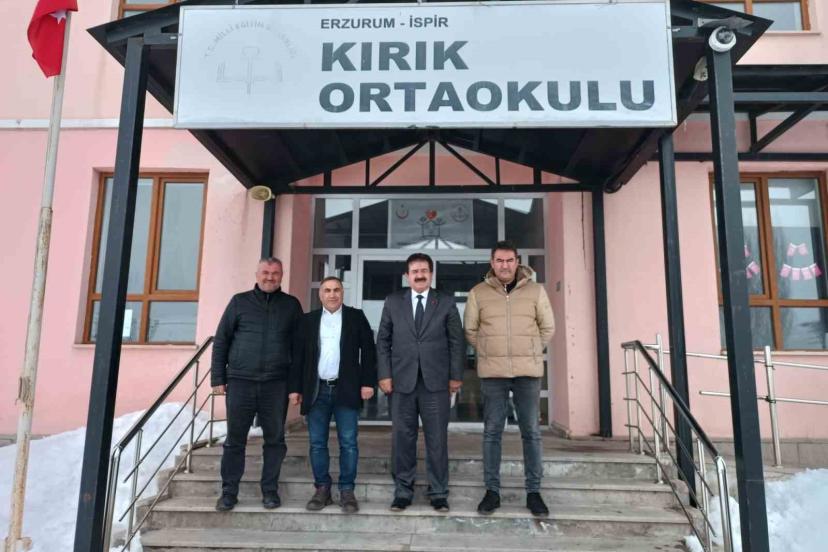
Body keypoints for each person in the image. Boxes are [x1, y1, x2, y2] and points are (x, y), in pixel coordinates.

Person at [464, 241, 555, 517]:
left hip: (527, 373)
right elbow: (470, 330)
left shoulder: (536, 291)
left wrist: (530, 350)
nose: (505, 265)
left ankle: (534, 492)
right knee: (492, 432)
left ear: (517, 262)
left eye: (509, 260)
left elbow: (548, 327)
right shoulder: (478, 293)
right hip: (493, 374)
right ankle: (492, 491)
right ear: (492, 263)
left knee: (531, 432)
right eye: (499, 260)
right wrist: (489, 351)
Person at [210, 257, 303, 512]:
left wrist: (295, 386)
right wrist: (218, 378)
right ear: (257, 274)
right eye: (265, 272)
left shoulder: (291, 305)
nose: (270, 277)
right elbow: (221, 340)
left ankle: (270, 491)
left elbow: (299, 349)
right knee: (234, 440)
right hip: (240, 382)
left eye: (275, 273)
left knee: (275, 441)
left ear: (282, 275)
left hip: (276, 384)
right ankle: (229, 493)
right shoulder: (239, 302)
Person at [376, 253, 465, 513]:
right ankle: (403, 492)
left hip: (436, 383)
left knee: (437, 439)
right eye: (414, 271)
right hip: (401, 382)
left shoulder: (445, 302)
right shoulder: (393, 302)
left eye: (424, 270)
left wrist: (456, 376)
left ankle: (438, 493)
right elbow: (383, 341)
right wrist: (384, 374)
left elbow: (456, 341)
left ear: (431, 274)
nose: (419, 275)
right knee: (402, 439)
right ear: (407, 275)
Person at [289, 276, 377, 513]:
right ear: (320, 295)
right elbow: (298, 357)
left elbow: (369, 351)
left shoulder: (355, 317)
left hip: (346, 389)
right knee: (317, 443)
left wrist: (368, 383)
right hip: (316, 390)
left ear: (342, 293)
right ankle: (322, 489)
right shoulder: (308, 321)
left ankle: (347, 490)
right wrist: (295, 388)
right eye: (327, 290)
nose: (332, 294)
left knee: (348, 443)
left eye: (336, 290)